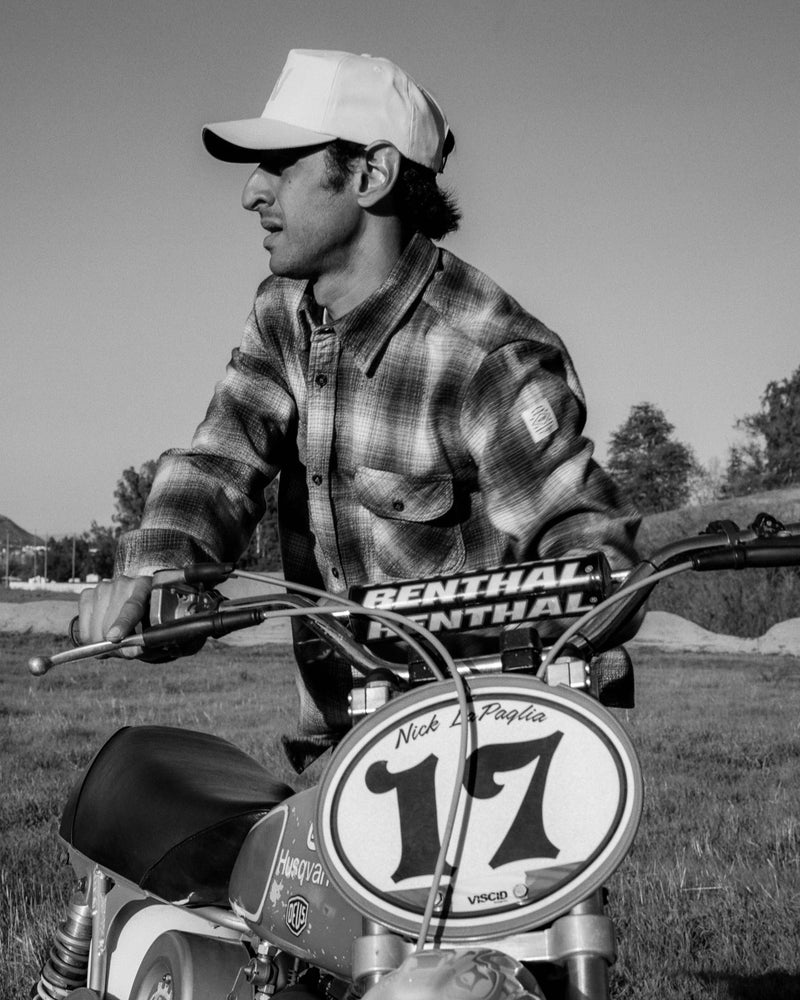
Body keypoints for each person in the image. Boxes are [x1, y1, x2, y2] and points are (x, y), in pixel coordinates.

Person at [80, 48, 640, 768]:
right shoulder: (282, 314)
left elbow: (598, 558)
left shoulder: (485, 354)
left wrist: (527, 621)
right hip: (337, 745)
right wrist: (157, 576)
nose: (251, 192)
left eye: (280, 164)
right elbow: (220, 458)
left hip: (480, 751)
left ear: (371, 173)